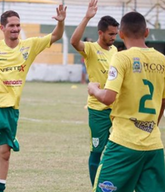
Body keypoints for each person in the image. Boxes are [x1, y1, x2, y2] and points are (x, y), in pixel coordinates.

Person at [0, 5, 66, 192]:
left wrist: (61, 22)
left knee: (5, 154)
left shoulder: (29, 46)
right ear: (2, 28)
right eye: (11, 25)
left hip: (12, 110)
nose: (15, 29)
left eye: (18, 25)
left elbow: (56, 36)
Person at [88, 11, 165, 192]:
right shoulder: (162, 60)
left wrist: (93, 89)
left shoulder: (122, 57)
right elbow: (163, 101)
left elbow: (108, 98)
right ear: (146, 32)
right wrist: (151, 126)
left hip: (123, 144)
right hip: (154, 146)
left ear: (121, 34)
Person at [70, 0, 119, 186]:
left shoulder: (115, 51)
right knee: (97, 151)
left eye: (116, 33)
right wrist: (87, 17)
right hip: (98, 110)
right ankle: (96, 188)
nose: (114, 37)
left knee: (116, 151)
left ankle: (111, 185)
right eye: (111, 34)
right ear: (100, 33)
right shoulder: (91, 49)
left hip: (117, 109)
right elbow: (74, 41)